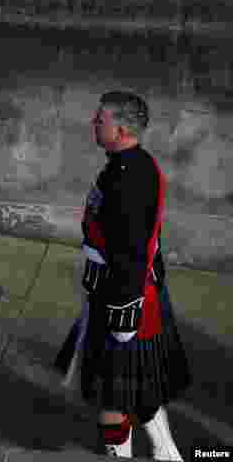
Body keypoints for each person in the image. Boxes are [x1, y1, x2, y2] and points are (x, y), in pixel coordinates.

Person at [54, 92, 189, 459]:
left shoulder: (131, 176)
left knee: (112, 397)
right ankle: (166, 453)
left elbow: (134, 246)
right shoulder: (125, 165)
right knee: (137, 389)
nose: (94, 124)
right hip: (118, 290)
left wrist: (126, 308)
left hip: (124, 295)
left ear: (121, 128)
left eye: (101, 120)